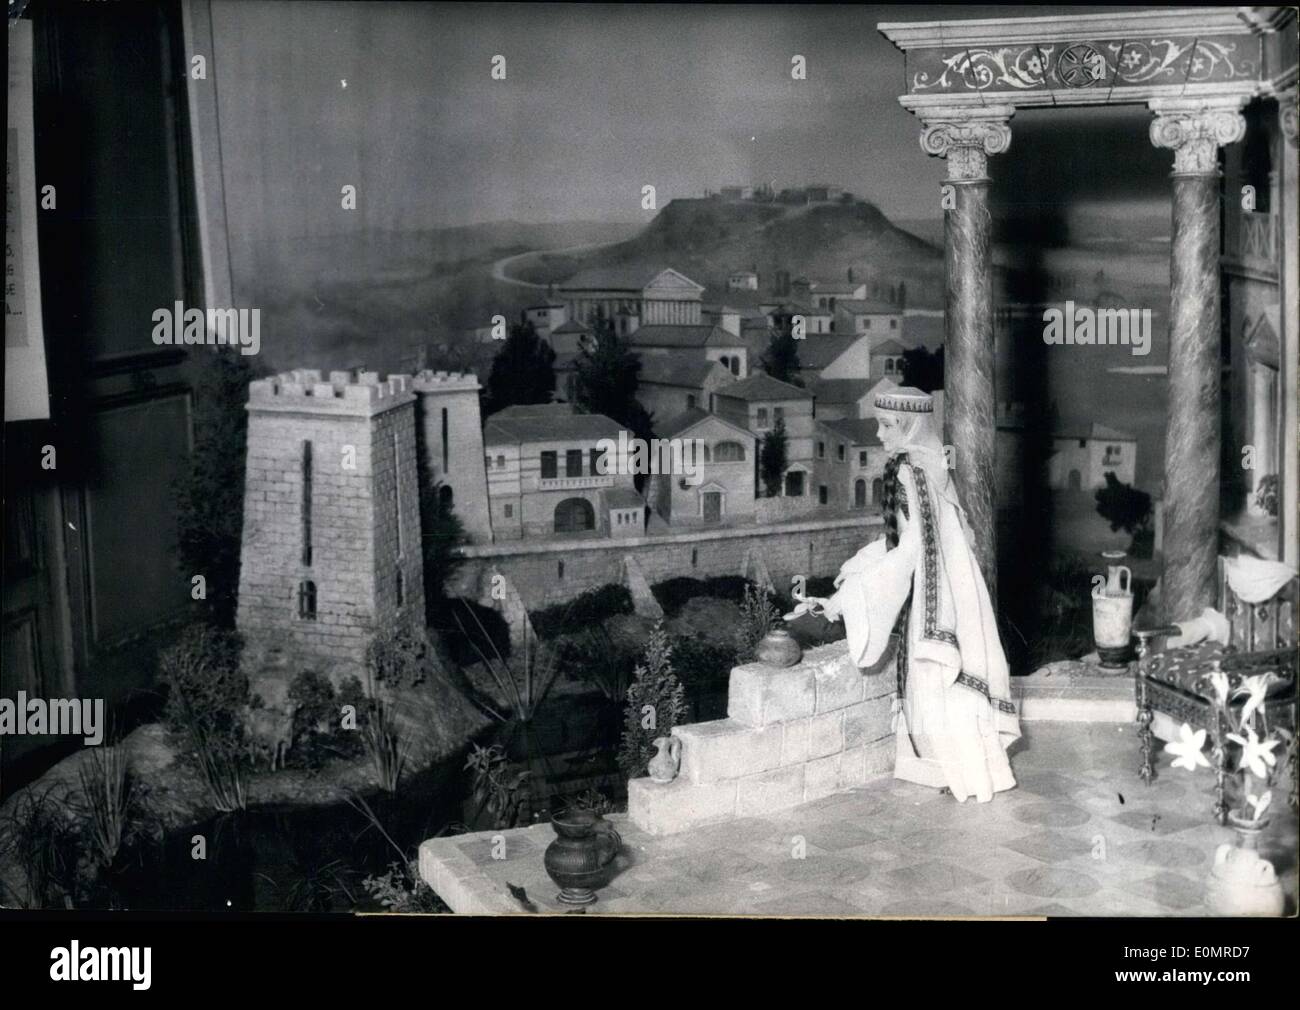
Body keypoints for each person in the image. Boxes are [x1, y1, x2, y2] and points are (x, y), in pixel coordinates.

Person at [789, 386, 1020, 802]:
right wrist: (851, 579)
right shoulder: (929, 466)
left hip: (936, 599)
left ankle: (956, 774)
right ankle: (966, 773)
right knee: (945, 684)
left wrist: (856, 590)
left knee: (934, 680)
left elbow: (912, 548)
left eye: (886, 425)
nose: (878, 434)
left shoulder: (907, 472)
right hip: (952, 590)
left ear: (910, 426)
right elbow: (911, 540)